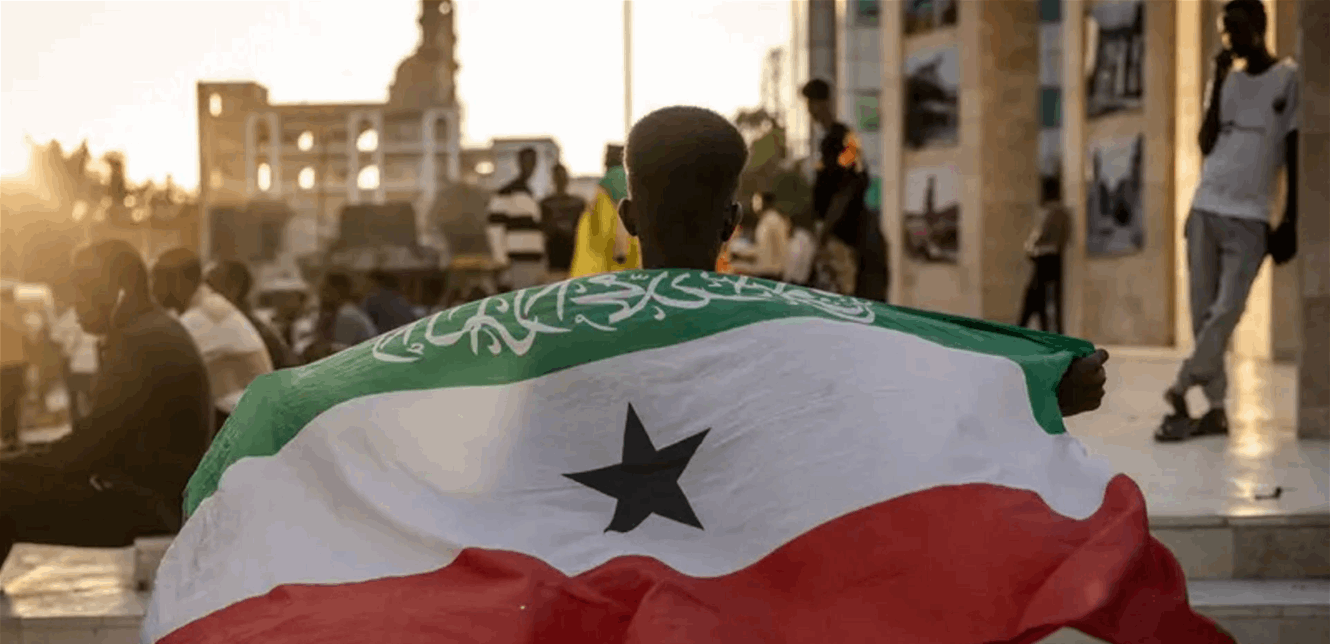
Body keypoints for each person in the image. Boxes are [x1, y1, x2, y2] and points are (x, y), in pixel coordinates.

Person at [617, 104, 1108, 416]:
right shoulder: (786, 332)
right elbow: (910, 378)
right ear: (733, 222)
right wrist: (1041, 387)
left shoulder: (571, 328)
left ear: (627, 217)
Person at [0, 240, 212, 568]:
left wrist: (13, 463)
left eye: (84, 288)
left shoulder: (141, 341)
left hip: (150, 505)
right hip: (154, 495)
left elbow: (87, 450)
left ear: (119, 290)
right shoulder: (147, 330)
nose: (75, 301)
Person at [1158, 0, 1299, 442]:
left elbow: (1295, 151)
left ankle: (1183, 381)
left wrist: (1290, 218)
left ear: (1259, 26)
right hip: (1206, 207)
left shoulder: (1288, 78)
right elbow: (1205, 142)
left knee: (1227, 311)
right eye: (1223, 31)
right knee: (1203, 314)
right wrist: (1216, 80)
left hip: (1252, 216)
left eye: (1235, 28)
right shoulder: (1228, 79)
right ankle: (1217, 409)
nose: (1229, 39)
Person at [152, 248, 273, 431]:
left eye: (158, 279)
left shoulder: (202, 317)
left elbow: (158, 369)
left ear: (179, 282)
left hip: (245, 424)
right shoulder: (209, 306)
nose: (152, 288)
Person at [801, 79, 888, 301]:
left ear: (823, 102)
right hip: (839, 232)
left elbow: (850, 185)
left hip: (846, 233)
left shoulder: (841, 137)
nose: (810, 110)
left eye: (812, 103)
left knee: (846, 296)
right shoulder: (828, 141)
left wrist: (826, 228)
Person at [205, 261, 299, 370]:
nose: (205, 292)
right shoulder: (214, 326)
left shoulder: (257, 332)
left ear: (233, 289)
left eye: (211, 285)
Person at [570, 144, 642, 278]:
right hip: (628, 253)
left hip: (610, 254)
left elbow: (616, 217)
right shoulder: (628, 180)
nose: (604, 161)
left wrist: (620, 249)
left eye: (607, 156)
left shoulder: (611, 181)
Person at [487, 147, 547, 290]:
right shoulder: (505, 193)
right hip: (517, 262)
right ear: (519, 162)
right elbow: (495, 228)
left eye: (533, 162)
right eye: (527, 161)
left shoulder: (531, 193)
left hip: (534, 261)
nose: (530, 166)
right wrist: (501, 260)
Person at [1019, 180, 1071, 333]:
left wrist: (1031, 248)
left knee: (1035, 300)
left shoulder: (1048, 214)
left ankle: (1028, 331)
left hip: (1044, 261)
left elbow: (1035, 242)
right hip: (1054, 261)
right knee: (1050, 302)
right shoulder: (1063, 214)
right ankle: (1053, 332)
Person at [49, 282, 99, 424]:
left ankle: (78, 425)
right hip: (91, 364)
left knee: (75, 398)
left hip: (75, 364)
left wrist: (66, 345)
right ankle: (91, 423)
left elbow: (55, 337)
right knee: (90, 397)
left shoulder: (69, 316)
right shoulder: (93, 314)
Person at [302, 271, 377, 362]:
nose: (321, 294)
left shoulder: (347, 316)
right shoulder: (336, 313)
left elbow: (341, 354)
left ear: (338, 291)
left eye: (325, 290)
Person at [539, 164, 586, 282]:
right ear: (553, 179)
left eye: (563, 176)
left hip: (574, 257)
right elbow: (543, 231)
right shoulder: (545, 204)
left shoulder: (578, 203)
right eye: (558, 176)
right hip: (553, 259)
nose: (561, 180)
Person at [731, 192, 791, 280]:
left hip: (769, 273)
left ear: (765, 202)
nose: (754, 204)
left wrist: (740, 252)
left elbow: (763, 249)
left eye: (757, 200)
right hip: (771, 271)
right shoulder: (772, 219)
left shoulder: (770, 220)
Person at [0, 286, 27, 454]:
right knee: (16, 402)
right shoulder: (18, 313)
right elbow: (29, 334)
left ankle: (6, 438)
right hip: (18, 364)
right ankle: (14, 437)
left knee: (4, 402)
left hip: (2, 365)